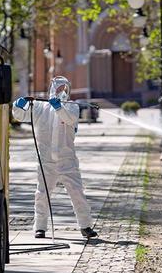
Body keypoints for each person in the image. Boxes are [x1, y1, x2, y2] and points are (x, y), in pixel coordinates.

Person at [13, 76, 98, 239]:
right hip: (46, 162)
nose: (61, 92)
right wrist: (18, 106)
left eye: (64, 89)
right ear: (52, 89)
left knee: (77, 193)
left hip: (67, 161)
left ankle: (85, 225)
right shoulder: (39, 107)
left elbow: (69, 119)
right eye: (59, 88)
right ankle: (40, 227)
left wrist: (59, 107)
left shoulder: (71, 108)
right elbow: (20, 116)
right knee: (42, 193)